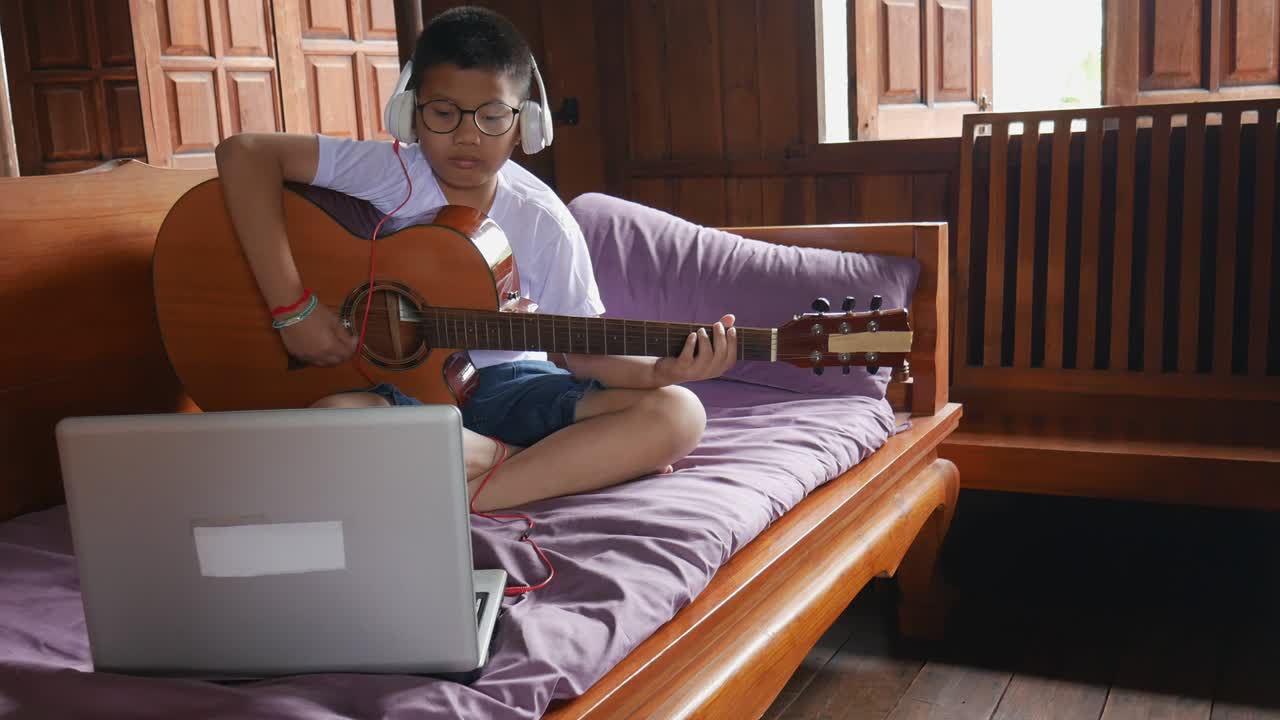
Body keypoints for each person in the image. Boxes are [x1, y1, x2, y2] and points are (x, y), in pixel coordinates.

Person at [213, 6, 736, 512]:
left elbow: (583, 353)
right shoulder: (389, 172)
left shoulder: (543, 220)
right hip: (399, 398)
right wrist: (293, 309)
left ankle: (470, 491)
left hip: (512, 390)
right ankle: (531, 465)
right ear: (409, 113)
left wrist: (660, 369)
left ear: (526, 124)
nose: (468, 136)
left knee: (678, 412)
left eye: (492, 117)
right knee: (328, 425)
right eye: (443, 114)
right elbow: (245, 153)